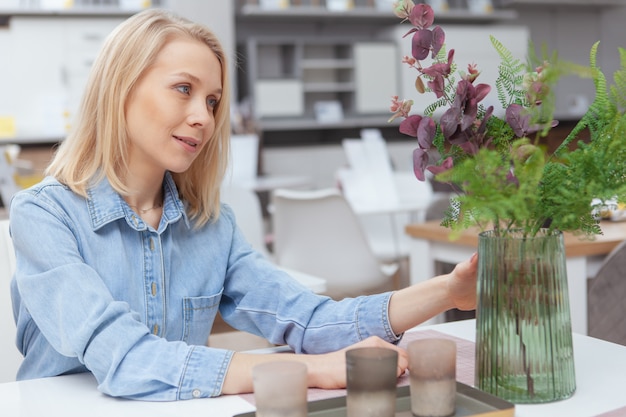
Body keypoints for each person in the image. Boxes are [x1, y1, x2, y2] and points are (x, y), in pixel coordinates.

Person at [8, 9, 478, 401]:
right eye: (183, 89)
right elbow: (126, 357)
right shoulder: (45, 216)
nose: (203, 118)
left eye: (212, 101)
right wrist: (309, 371)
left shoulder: (210, 226)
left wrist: (448, 293)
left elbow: (309, 320)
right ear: (120, 88)